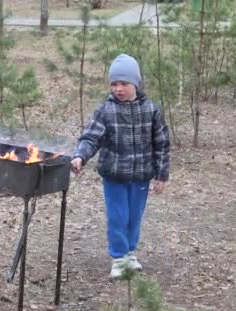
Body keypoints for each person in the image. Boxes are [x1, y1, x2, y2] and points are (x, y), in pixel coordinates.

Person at [71, 54, 170, 280]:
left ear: (135, 83)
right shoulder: (106, 111)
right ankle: (118, 258)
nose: (118, 89)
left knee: (134, 217)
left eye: (124, 83)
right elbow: (90, 138)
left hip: (141, 176)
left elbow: (162, 144)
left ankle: (130, 253)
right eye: (114, 84)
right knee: (118, 216)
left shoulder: (152, 110)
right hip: (114, 175)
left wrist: (161, 175)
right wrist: (80, 156)